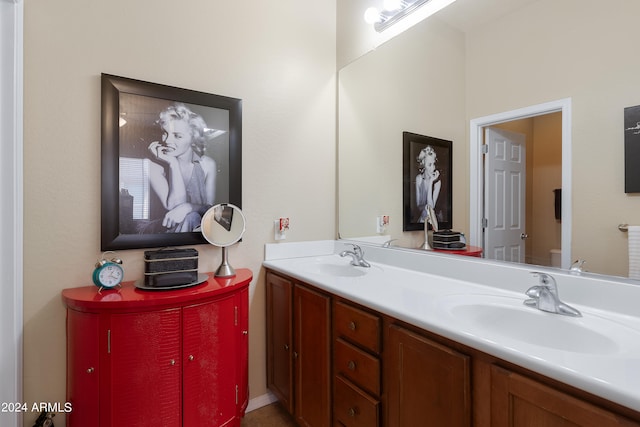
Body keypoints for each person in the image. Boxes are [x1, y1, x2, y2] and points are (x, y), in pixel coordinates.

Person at [144, 103, 216, 233]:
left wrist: (188, 207)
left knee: (193, 217)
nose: (167, 141)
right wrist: (173, 163)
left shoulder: (207, 165)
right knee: (192, 217)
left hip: (196, 229)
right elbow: (174, 207)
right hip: (161, 232)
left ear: (193, 139)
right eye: (165, 133)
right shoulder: (152, 165)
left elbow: (210, 211)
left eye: (177, 136)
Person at [415, 145, 441, 223]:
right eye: (429, 165)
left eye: (433, 164)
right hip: (422, 219)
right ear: (423, 166)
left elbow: (431, 207)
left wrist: (430, 183)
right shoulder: (419, 179)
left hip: (433, 222)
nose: (433, 168)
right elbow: (418, 206)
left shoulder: (437, 182)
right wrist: (424, 207)